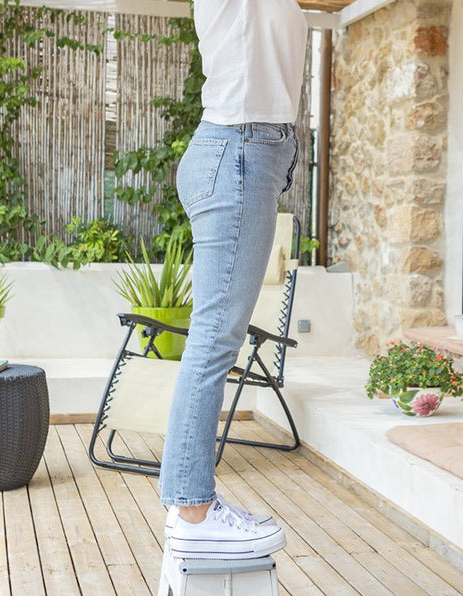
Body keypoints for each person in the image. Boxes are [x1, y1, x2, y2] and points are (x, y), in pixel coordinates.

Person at [158, 0, 308, 559]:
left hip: (247, 153)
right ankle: (193, 509)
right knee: (216, 338)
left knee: (216, 335)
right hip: (239, 151)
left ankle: (190, 505)